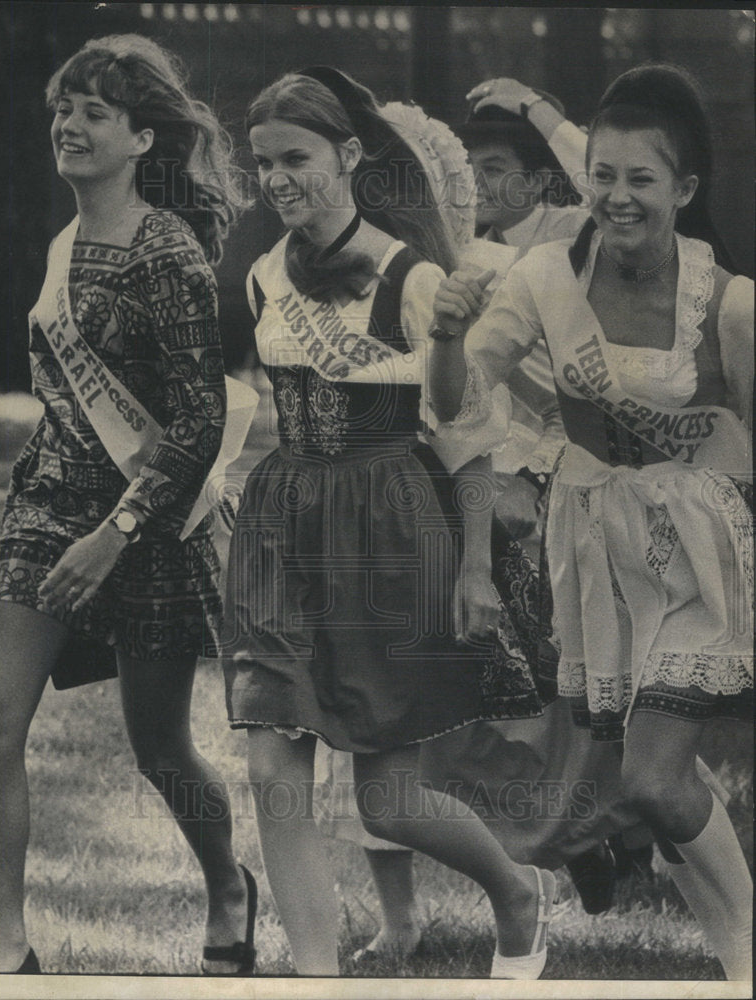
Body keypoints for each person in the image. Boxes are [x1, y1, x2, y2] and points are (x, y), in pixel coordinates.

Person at [221, 66, 558, 979]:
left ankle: (516, 891)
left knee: (390, 799)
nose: (279, 178)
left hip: (388, 528)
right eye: (264, 164)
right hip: (285, 524)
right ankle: (315, 977)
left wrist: (476, 567)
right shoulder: (261, 275)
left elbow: (465, 432)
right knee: (268, 765)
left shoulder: (412, 277)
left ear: (350, 156)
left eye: (297, 158)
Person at [431, 63, 753, 981]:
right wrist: (448, 339)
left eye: (640, 179)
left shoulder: (729, 305)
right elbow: (457, 405)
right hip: (601, 557)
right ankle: (741, 969)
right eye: (601, 176)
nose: (615, 197)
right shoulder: (543, 277)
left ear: (683, 190)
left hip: (702, 554)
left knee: (652, 779)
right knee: (653, 794)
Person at [0, 35, 256, 976]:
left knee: (160, 748)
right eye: (65, 108)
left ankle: (227, 886)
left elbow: (200, 419)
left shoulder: (162, 249)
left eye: (96, 111)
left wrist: (118, 531)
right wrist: (71, 522)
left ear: (141, 138)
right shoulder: (64, 242)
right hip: (49, 501)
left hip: (147, 522)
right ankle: (9, 948)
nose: (71, 124)